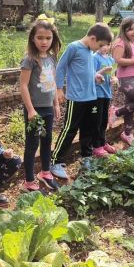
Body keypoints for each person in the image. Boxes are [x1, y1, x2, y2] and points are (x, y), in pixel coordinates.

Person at [53, 23, 114, 164]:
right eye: (100, 45)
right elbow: (61, 67)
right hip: (77, 98)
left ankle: (86, 157)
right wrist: (59, 88)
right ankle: (56, 160)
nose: (100, 49)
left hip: (91, 97)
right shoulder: (74, 47)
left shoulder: (90, 52)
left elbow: (87, 71)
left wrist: (95, 76)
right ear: (93, 38)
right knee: (70, 129)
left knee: (88, 128)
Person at [19, 19, 62, 192]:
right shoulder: (30, 60)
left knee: (47, 141)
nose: (44, 42)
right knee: (32, 144)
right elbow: (23, 86)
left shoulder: (51, 58)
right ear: (32, 39)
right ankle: (28, 181)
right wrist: (30, 110)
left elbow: (51, 84)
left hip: (48, 109)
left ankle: (45, 172)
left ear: (53, 39)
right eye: (40, 38)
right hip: (34, 110)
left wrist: (56, 104)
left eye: (48, 38)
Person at [109, 17, 134, 144]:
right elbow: (117, 60)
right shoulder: (120, 42)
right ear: (123, 30)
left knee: (130, 107)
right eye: (130, 29)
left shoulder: (133, 43)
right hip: (127, 80)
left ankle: (127, 133)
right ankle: (116, 111)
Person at [92, 43, 118, 158]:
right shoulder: (94, 58)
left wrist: (114, 79)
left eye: (107, 44)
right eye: (102, 44)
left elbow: (113, 75)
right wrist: (103, 71)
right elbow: (91, 75)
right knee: (96, 120)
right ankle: (96, 146)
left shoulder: (111, 60)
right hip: (97, 94)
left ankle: (102, 142)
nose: (105, 47)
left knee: (104, 120)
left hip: (107, 94)